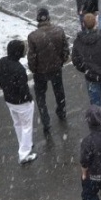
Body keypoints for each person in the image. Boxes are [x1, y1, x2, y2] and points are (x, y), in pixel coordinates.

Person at [26, 7, 69, 136]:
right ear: (49, 17)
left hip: (40, 72)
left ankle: (46, 121)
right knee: (59, 91)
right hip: (56, 68)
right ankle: (61, 111)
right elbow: (66, 50)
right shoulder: (59, 31)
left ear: (37, 20)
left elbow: (32, 58)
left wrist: (34, 69)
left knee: (40, 97)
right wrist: (60, 62)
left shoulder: (33, 37)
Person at [0, 39, 38, 164]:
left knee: (18, 124)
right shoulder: (19, 69)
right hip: (21, 103)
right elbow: (23, 88)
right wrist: (28, 98)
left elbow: (0, 80)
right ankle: (24, 154)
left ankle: (23, 144)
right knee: (26, 127)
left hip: (9, 100)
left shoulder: (2, 62)